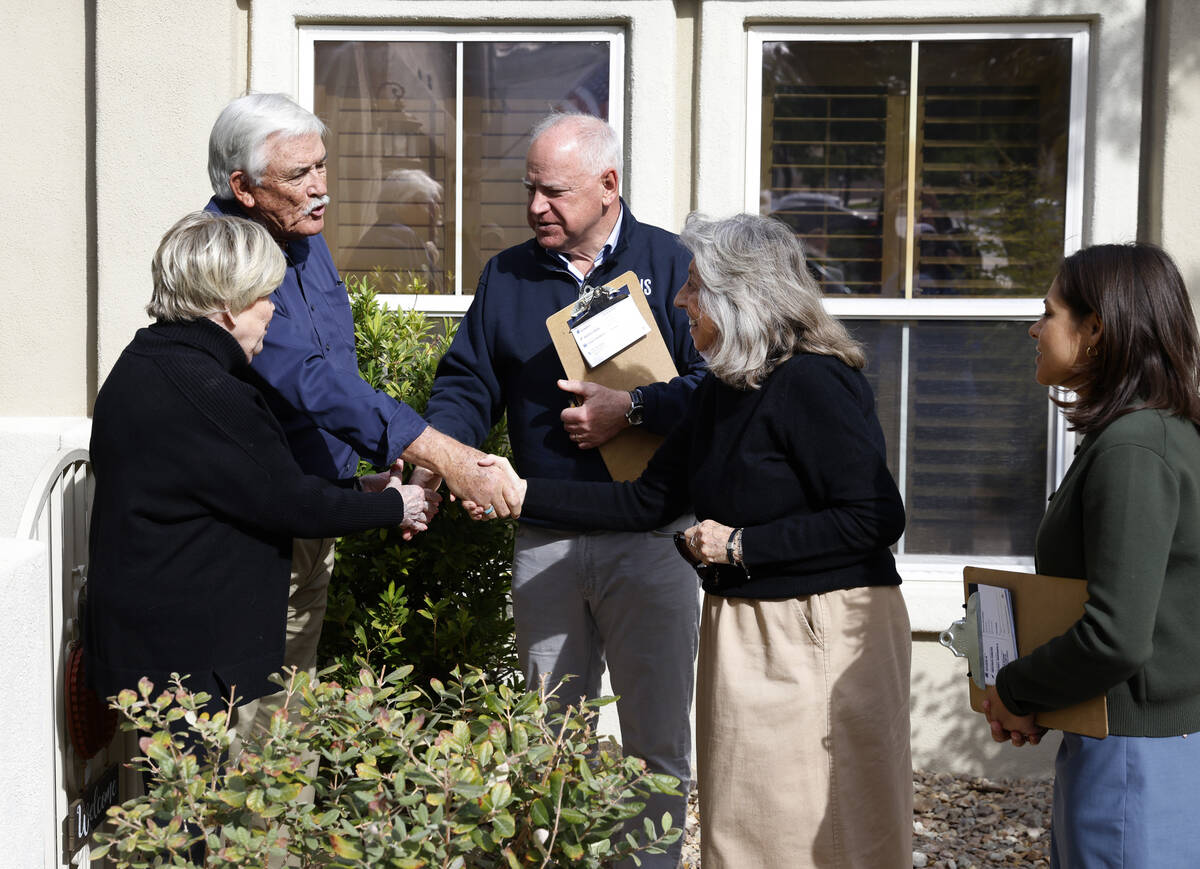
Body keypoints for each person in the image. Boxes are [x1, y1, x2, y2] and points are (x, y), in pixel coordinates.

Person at [500, 212, 912, 868]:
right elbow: (645, 500)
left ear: (737, 294)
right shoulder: (723, 389)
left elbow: (873, 516)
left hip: (816, 633)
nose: (679, 299)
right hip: (744, 629)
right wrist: (518, 493)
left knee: (820, 832)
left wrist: (743, 546)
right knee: (744, 827)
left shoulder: (813, 380)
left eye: (694, 284)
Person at [414, 111, 706, 866]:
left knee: (656, 747)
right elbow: (467, 381)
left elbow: (719, 387)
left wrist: (633, 406)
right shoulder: (508, 275)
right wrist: (438, 456)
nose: (536, 206)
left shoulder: (675, 266)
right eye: (529, 190)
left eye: (554, 191)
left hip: (653, 541)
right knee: (549, 745)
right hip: (545, 538)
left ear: (609, 186)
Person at [203, 92, 519, 738]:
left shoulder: (302, 239)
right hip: (253, 532)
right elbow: (306, 379)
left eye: (322, 167)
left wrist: (380, 467)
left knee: (290, 711)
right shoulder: (227, 259)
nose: (321, 189)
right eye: (299, 176)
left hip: (315, 509)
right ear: (243, 186)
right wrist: (445, 455)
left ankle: (286, 841)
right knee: (249, 730)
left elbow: (336, 369)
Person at [85, 211, 440, 720]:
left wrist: (358, 488)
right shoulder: (213, 394)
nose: (273, 312)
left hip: (152, 650)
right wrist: (393, 506)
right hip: (188, 666)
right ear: (228, 306)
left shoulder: (146, 361)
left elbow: (241, 486)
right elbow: (291, 505)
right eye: (264, 297)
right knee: (203, 797)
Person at [984, 242, 1200, 868]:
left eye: (1048, 312)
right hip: (1139, 741)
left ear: (1097, 329)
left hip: (1135, 756)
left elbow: (1116, 637)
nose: (1034, 327)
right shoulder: (1158, 432)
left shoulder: (1136, 448)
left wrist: (1015, 689)